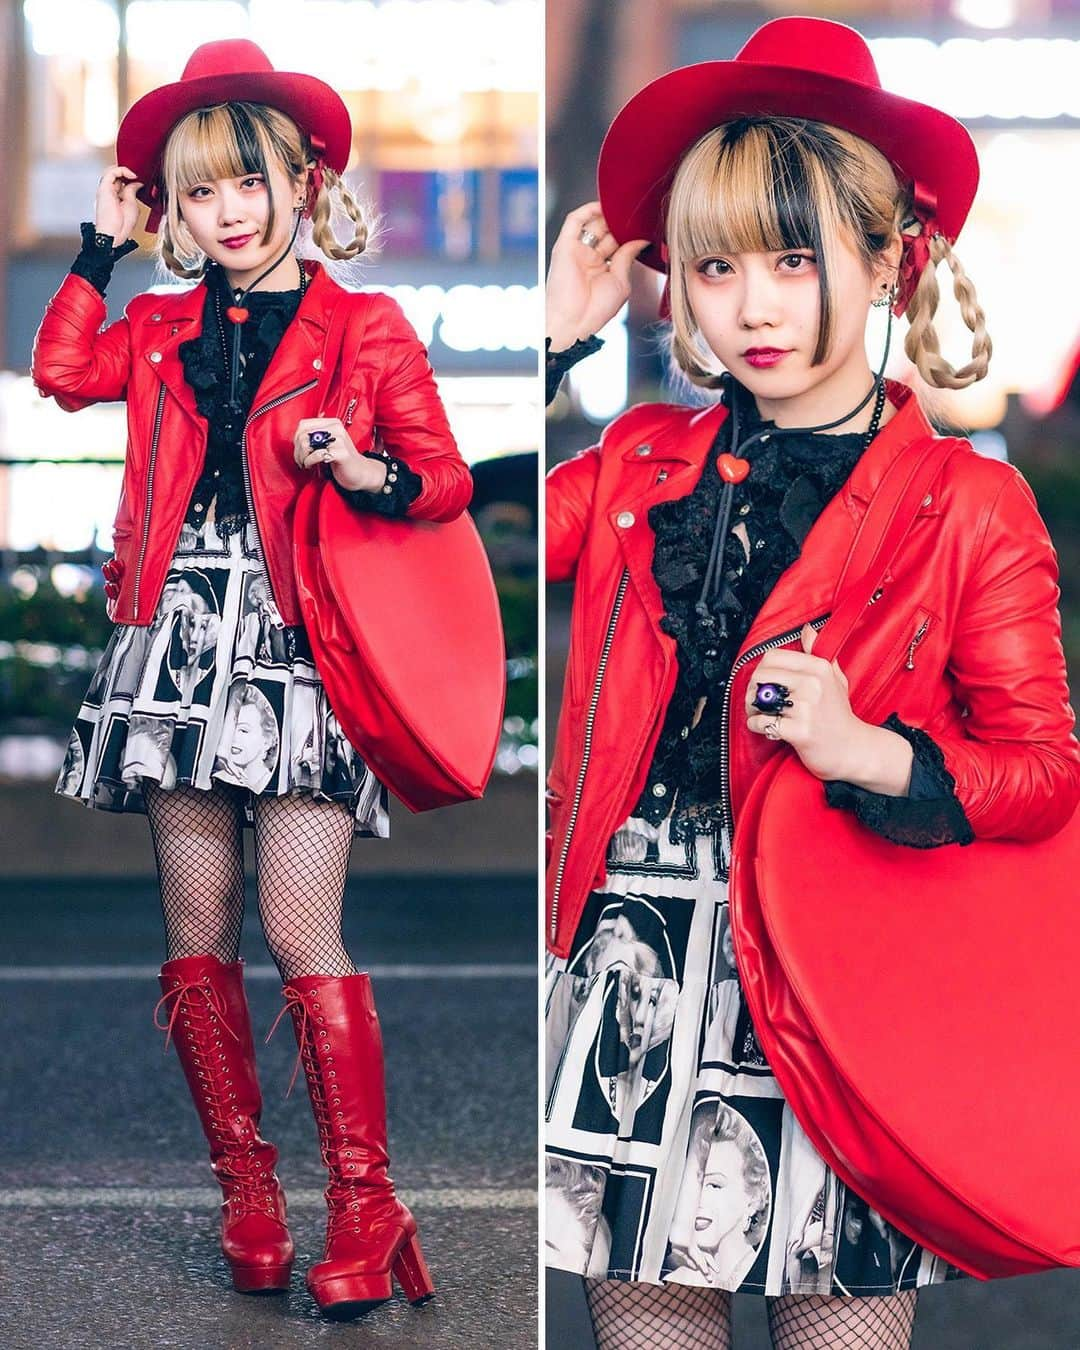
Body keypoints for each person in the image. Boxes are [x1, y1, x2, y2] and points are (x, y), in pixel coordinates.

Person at [543, 16, 1080, 1350]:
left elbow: (1044, 776)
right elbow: (426, 533)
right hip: (639, 958)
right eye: (715, 264)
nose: (755, 305)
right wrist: (550, 349)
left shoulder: (973, 504)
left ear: (893, 259)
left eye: (797, 256)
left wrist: (872, 750)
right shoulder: (633, 468)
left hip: (851, 970)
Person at [32, 39, 471, 1319]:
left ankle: (365, 1204)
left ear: (302, 181)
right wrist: (95, 251)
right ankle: (248, 1192)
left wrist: (360, 464)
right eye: (195, 193)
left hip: (300, 641)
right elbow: (62, 376)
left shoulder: (365, 326)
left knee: (299, 924)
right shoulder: (159, 323)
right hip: (177, 633)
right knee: (195, 925)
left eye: (245, 185)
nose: (223, 214)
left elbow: (440, 476)